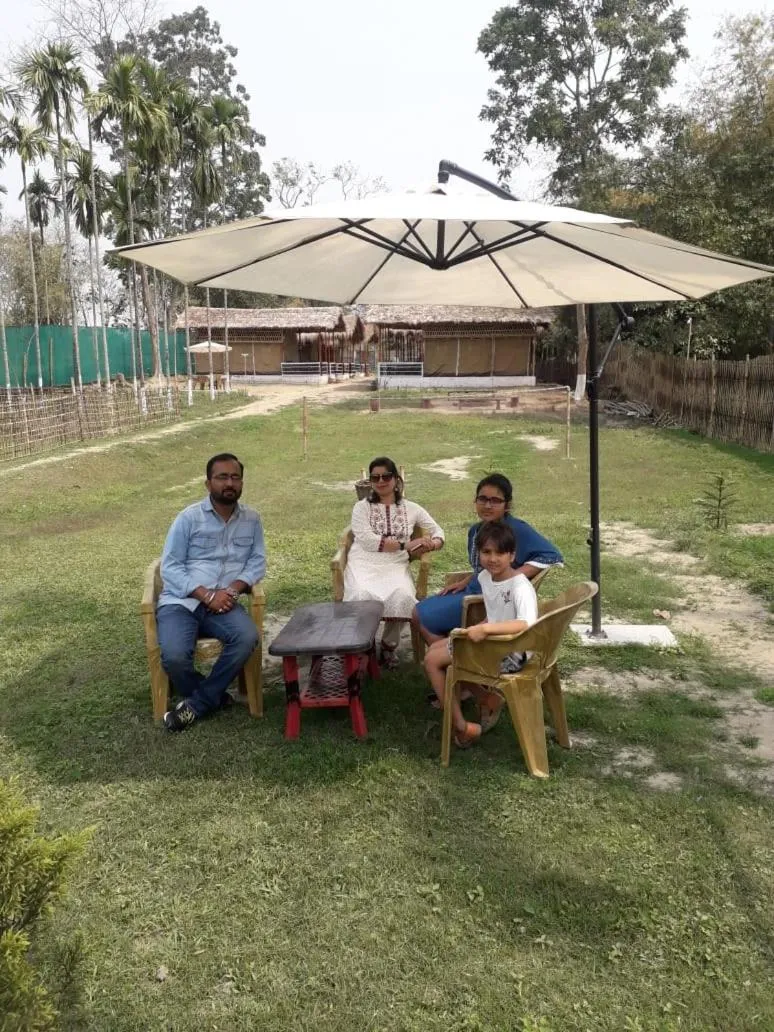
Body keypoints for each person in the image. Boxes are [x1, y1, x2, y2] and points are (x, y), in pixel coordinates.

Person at [157, 453, 266, 732]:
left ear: (241, 483)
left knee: (246, 637)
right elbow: (170, 566)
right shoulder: (188, 518)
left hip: (225, 602)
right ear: (208, 483)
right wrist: (206, 595)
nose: (229, 483)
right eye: (222, 477)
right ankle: (214, 697)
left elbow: (257, 562)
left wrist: (233, 589)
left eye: (235, 477)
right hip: (182, 601)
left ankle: (195, 706)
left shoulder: (252, 519)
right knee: (175, 657)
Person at [423, 521, 538, 747]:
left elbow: (526, 624)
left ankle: (462, 727)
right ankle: (487, 697)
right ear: (479, 554)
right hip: (493, 645)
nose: (492, 558)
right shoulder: (486, 577)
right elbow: (495, 614)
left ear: (512, 555)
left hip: (513, 652)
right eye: (486, 552)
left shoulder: (520, 586)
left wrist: (485, 629)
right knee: (436, 649)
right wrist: (475, 628)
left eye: (500, 553)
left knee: (432, 661)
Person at [415, 473, 562, 644]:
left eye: (495, 500)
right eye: (482, 499)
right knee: (418, 610)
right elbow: (482, 568)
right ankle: (449, 653)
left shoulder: (516, 529)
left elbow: (552, 556)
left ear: (507, 505)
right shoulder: (476, 530)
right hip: (475, 587)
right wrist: (467, 580)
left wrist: (512, 577)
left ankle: (455, 656)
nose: (487, 505)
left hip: (485, 600)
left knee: (420, 614)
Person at [344, 456, 444, 669]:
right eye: (375, 477)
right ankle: (364, 645)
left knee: (403, 595)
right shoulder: (361, 508)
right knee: (361, 594)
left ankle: (389, 646)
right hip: (363, 562)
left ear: (396, 479)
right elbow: (368, 540)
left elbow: (438, 532)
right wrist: (406, 545)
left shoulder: (412, 508)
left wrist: (432, 544)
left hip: (395, 565)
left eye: (386, 476)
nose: (381, 481)